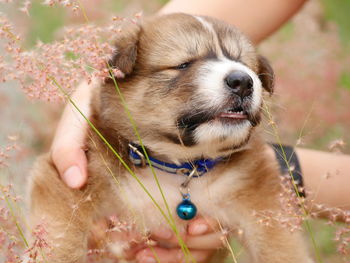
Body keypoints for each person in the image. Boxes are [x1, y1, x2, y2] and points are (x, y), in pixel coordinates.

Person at [51, 0, 350, 262]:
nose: (242, 79)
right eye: (183, 65)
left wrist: (269, 177)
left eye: (244, 66)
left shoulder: (246, 168)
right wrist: (86, 90)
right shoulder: (100, 150)